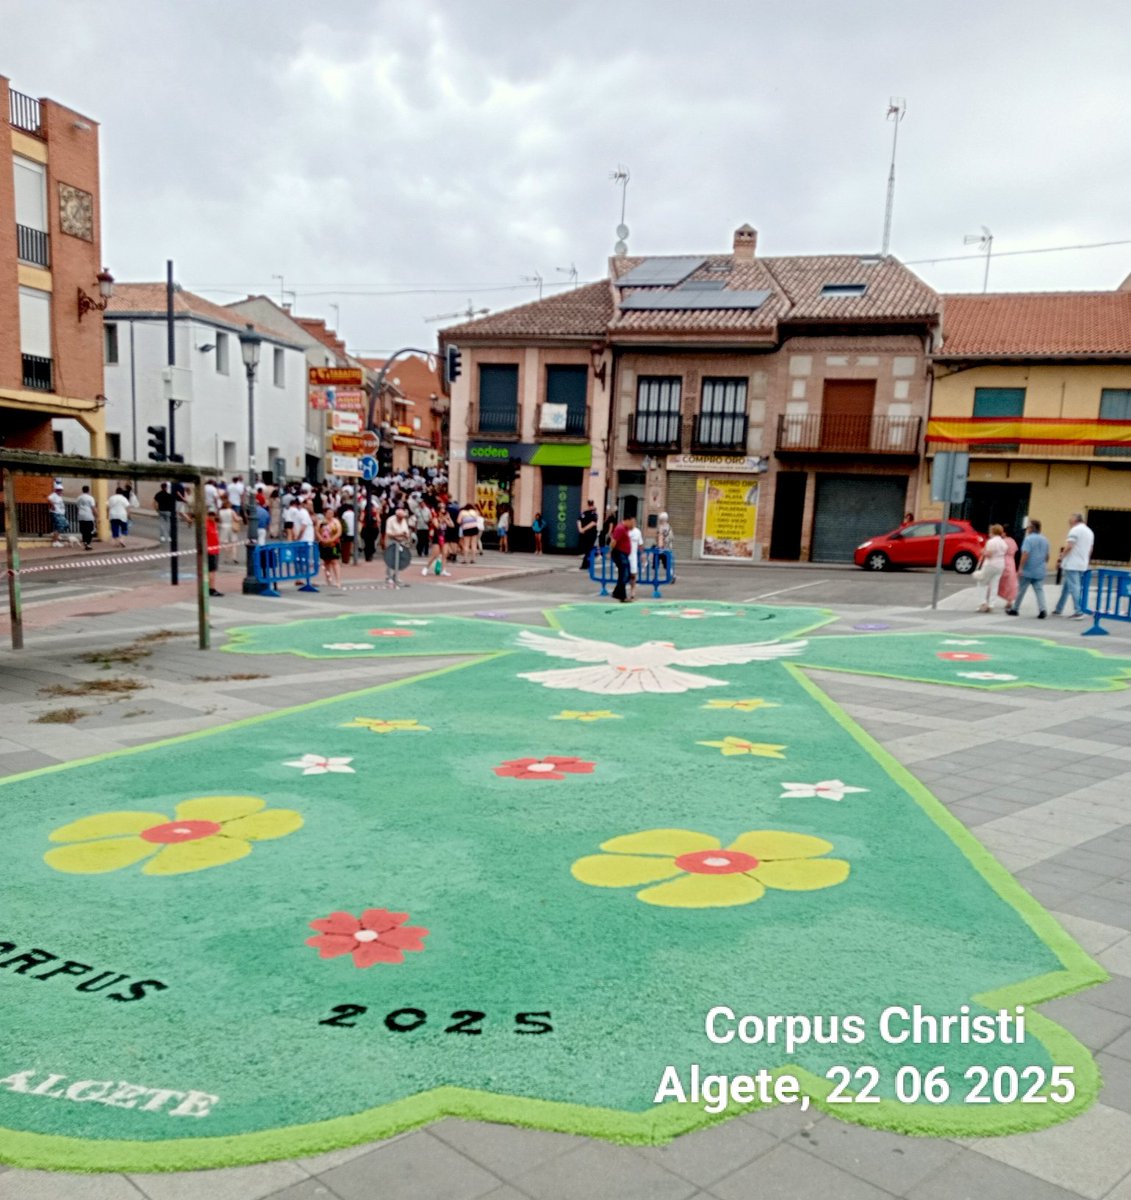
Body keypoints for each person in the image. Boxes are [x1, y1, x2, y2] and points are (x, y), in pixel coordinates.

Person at [1053, 512, 1094, 619]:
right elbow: (1090, 549)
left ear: (1074, 520)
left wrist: (1060, 558)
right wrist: (1086, 561)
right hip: (1082, 563)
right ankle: (1059, 608)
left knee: (1074, 587)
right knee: (1067, 587)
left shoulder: (1075, 530)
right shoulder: (1089, 532)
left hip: (1072, 563)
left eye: (1070, 521)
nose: (1069, 523)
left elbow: (1069, 546)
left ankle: (1078, 610)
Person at [1007, 519, 1050, 618]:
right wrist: (1043, 565)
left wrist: (1020, 568)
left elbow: (1025, 554)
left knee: (1021, 590)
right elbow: (1047, 556)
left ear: (1032, 528)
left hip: (1028, 569)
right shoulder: (1045, 540)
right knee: (1039, 590)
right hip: (1040, 569)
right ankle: (1042, 609)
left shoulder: (1028, 539)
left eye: (1028, 527)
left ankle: (1015, 609)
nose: (1027, 529)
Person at [974, 523, 1007, 613]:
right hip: (1000, 564)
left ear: (993, 531)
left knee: (982, 582)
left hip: (991, 564)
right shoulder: (1003, 542)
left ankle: (983, 603)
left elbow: (989, 554)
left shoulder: (991, 542)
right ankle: (992, 604)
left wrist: (982, 552)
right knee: (994, 585)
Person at [385, 504, 413, 589]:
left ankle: (396, 576)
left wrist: (406, 536)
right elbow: (389, 533)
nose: (401, 519)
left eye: (402, 517)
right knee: (390, 558)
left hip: (401, 541)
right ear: (397, 516)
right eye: (400, 517)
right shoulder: (390, 520)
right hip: (392, 540)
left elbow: (406, 532)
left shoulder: (404, 520)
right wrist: (400, 534)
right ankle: (389, 577)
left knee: (399, 559)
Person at [318, 508, 343, 588]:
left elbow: (339, 532)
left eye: (331, 513)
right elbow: (317, 531)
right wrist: (321, 539)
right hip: (324, 544)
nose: (330, 514)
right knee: (326, 562)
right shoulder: (321, 522)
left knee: (335, 561)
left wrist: (332, 539)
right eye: (328, 513)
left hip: (334, 544)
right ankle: (328, 579)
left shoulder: (336, 522)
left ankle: (338, 580)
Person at [998, 527, 1019, 612]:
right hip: (1011, 561)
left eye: (1003, 532)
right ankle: (1009, 600)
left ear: (1005, 533)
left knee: (1000, 581)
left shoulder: (1004, 541)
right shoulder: (1013, 541)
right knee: (1010, 582)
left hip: (1004, 560)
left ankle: (996, 597)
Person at [577, 499, 598, 569]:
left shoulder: (594, 514)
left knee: (588, 549)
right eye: (589, 504)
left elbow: (593, 523)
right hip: (585, 534)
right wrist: (580, 529)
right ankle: (588, 563)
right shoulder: (585, 513)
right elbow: (579, 520)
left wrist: (582, 529)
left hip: (590, 533)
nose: (590, 506)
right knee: (587, 549)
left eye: (591, 505)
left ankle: (585, 564)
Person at [205, 511, 222, 596]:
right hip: (210, 550)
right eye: (211, 515)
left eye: (214, 515)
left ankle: (211, 587)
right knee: (211, 570)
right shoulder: (207, 525)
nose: (213, 517)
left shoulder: (213, 524)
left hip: (215, 550)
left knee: (213, 570)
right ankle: (211, 588)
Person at [218, 496, 239, 564]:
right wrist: (240, 519)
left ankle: (226, 558)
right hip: (231, 526)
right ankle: (234, 557)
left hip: (223, 526)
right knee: (233, 543)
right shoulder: (231, 511)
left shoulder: (220, 511)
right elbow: (236, 519)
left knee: (225, 543)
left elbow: (220, 520)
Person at [627, 517, 644, 601]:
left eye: (634, 522)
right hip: (625, 556)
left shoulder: (637, 532)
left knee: (633, 575)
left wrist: (642, 556)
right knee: (624, 575)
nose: (633, 523)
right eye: (632, 521)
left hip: (633, 557)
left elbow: (640, 545)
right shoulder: (625, 531)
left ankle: (633, 592)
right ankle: (622, 592)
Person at [47, 482, 68, 547]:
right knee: (59, 527)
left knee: (66, 525)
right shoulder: (54, 495)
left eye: (61, 490)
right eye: (59, 490)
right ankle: (55, 542)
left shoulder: (59, 496)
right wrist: (52, 506)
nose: (60, 491)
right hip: (56, 513)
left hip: (61, 513)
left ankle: (56, 534)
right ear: (56, 490)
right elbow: (48, 498)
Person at [76, 485, 96, 551]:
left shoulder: (79, 498)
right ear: (88, 490)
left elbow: (78, 506)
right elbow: (93, 508)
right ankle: (88, 543)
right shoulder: (90, 498)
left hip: (81, 516)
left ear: (82, 490)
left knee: (83, 530)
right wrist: (96, 515)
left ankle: (85, 542)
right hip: (88, 516)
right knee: (90, 530)